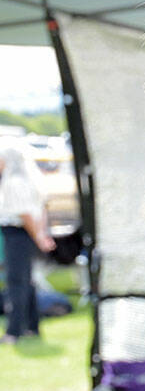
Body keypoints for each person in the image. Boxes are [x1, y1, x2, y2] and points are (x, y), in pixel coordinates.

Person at [0, 140, 56, 344]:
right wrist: (40, 235)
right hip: (26, 235)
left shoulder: (14, 182)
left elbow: (26, 215)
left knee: (16, 282)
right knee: (27, 281)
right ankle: (32, 326)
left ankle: (14, 331)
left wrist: (39, 236)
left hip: (17, 234)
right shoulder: (27, 181)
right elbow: (39, 211)